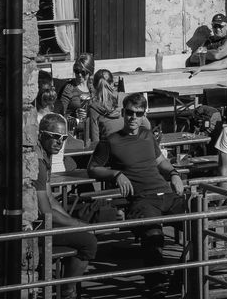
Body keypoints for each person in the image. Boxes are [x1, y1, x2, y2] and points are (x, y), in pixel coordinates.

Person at [88, 93, 185, 299]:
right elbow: (93, 169)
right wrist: (116, 174)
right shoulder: (110, 141)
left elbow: (160, 161)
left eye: (138, 114)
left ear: (143, 115)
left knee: (200, 223)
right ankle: (156, 285)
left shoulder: (148, 135)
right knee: (153, 236)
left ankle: (183, 276)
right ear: (123, 113)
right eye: (130, 113)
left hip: (166, 194)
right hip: (142, 199)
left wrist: (174, 174)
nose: (133, 117)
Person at [35, 113, 97, 298]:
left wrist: (72, 220)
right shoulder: (38, 163)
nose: (59, 142)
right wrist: (77, 224)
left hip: (43, 224)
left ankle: (64, 287)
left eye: (63, 138)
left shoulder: (45, 156)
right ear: (41, 134)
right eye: (54, 136)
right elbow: (46, 212)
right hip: (36, 230)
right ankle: (67, 292)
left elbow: (51, 199)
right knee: (89, 242)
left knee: (84, 233)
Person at [57, 55, 95, 130]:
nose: (79, 75)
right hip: (74, 131)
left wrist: (89, 114)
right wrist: (75, 117)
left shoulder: (93, 88)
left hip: (92, 129)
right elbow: (60, 115)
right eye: (77, 71)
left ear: (90, 71)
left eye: (83, 72)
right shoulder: (69, 88)